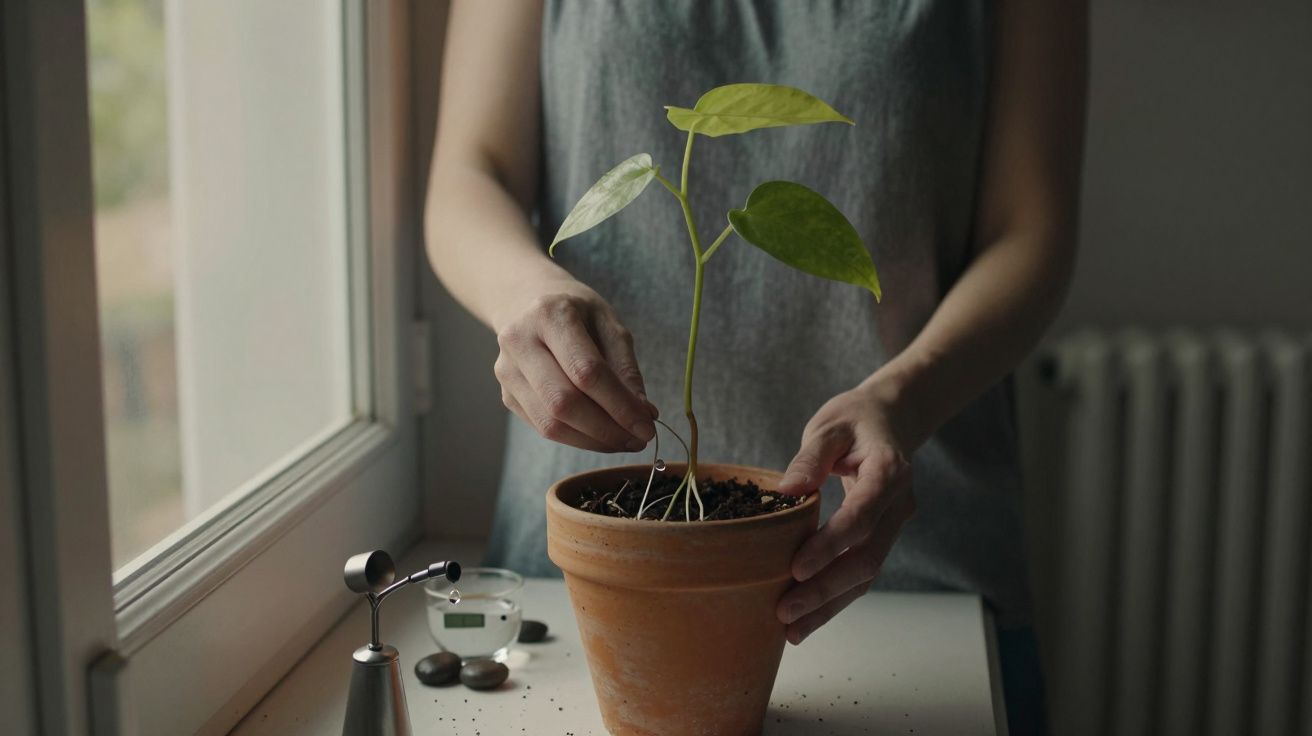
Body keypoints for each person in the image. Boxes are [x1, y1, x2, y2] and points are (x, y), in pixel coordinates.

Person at [425, 2, 1086, 733]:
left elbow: (1030, 230)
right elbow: (470, 172)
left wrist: (902, 399)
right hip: (594, 577)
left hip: (913, 574)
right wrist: (527, 293)